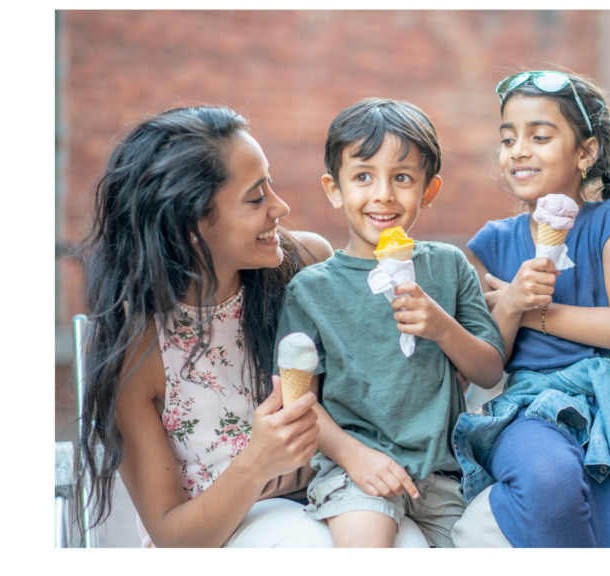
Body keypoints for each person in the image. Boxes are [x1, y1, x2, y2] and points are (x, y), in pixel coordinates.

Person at [76, 105, 404, 549]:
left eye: (270, 184)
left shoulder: (305, 266)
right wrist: (256, 463)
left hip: (339, 499)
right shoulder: (134, 346)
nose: (280, 206)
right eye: (255, 198)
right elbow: (173, 535)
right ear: (189, 225)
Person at [450, 71, 610, 550]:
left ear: (585, 153)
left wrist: (528, 309)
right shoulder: (492, 242)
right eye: (508, 138)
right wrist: (510, 304)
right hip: (527, 412)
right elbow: (485, 362)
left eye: (539, 136)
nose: (518, 149)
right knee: (549, 478)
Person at [275, 98, 505, 549]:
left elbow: (489, 369)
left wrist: (441, 327)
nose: (383, 194)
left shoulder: (449, 266)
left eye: (402, 177)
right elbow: (295, 399)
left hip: (442, 473)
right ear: (334, 188)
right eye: (363, 176)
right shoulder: (311, 290)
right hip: (354, 470)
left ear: (429, 190)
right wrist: (354, 457)